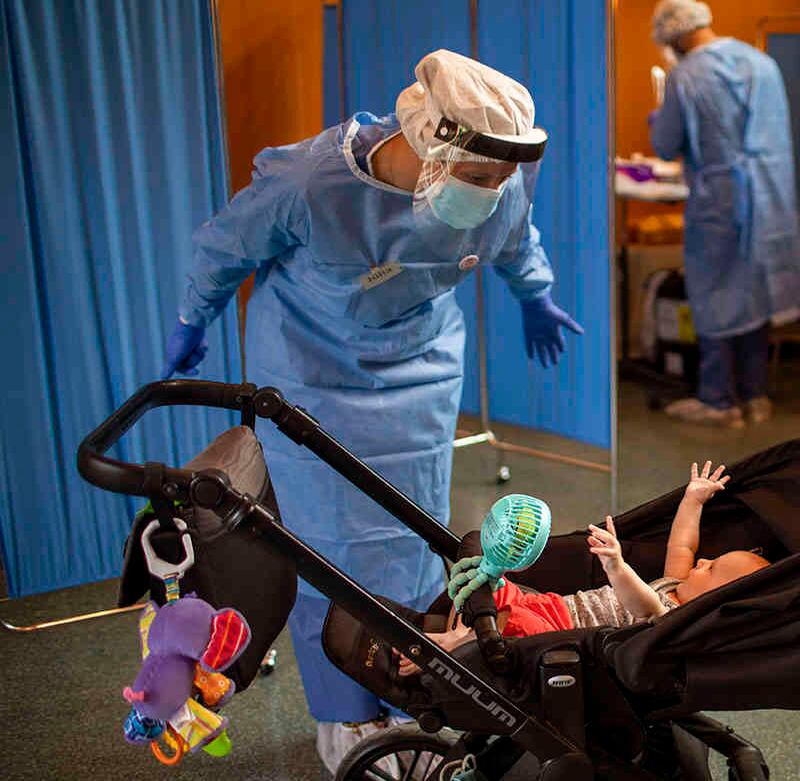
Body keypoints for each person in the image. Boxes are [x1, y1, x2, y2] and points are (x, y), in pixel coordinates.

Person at [160, 50, 584, 774]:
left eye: (502, 178)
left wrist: (535, 294)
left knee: (416, 539)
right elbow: (225, 245)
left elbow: (513, 237)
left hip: (420, 376)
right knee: (330, 550)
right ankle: (346, 719)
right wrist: (193, 318)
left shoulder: (500, 174)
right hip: (312, 375)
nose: (493, 191)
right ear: (429, 144)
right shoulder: (312, 183)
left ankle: (406, 690)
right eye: (479, 178)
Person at [396, 460, 769, 671]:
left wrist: (618, 566)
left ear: (713, 601)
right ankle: (465, 630)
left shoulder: (669, 617)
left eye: (712, 568)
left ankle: (453, 648)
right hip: (557, 606)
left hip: (564, 636)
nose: (702, 559)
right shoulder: (676, 579)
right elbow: (682, 541)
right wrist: (693, 500)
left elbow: (643, 604)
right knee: (500, 588)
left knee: (519, 627)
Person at [649, 0, 800, 428]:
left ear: (677, 36)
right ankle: (755, 395)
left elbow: (666, 144)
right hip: (771, 198)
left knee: (716, 293)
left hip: (720, 203)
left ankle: (719, 399)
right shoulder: (762, 64)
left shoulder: (686, 75)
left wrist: (657, 118)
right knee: (754, 293)